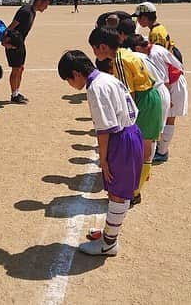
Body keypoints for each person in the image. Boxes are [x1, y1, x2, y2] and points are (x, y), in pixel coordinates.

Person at [58, 50, 143, 256]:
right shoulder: (107, 77)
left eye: (68, 79)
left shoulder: (95, 88)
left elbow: (104, 129)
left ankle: (109, 244)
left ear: (76, 73)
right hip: (132, 132)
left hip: (120, 139)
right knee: (117, 191)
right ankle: (108, 234)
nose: (70, 84)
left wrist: (103, 159)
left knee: (117, 194)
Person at [89, 27, 162, 206]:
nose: (94, 52)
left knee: (139, 148)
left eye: (94, 48)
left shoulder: (119, 60)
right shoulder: (124, 53)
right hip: (151, 96)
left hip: (144, 99)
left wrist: (127, 121)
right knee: (145, 147)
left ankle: (133, 191)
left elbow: (129, 94)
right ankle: (136, 188)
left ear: (103, 47)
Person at [126, 35, 188, 163]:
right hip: (173, 82)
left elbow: (163, 78)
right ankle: (161, 149)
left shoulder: (154, 54)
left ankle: (162, 152)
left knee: (169, 119)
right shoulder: (154, 49)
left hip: (173, 84)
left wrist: (167, 97)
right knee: (164, 120)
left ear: (138, 48)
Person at [6, 0, 51, 104]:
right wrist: (5, 40)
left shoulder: (32, 12)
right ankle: (13, 95)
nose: (46, 8)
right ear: (40, 1)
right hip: (13, 44)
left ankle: (16, 92)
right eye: (46, 4)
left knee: (20, 68)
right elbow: (12, 26)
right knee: (16, 69)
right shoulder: (25, 11)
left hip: (21, 43)